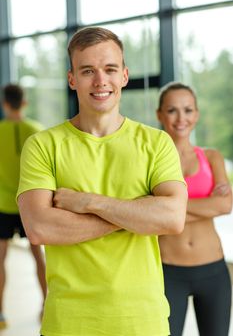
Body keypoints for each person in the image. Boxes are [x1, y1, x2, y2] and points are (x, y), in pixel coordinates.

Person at [17, 27, 187, 336]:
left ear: (124, 75)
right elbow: (40, 228)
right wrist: (137, 214)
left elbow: (173, 218)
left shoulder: (156, 143)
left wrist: (88, 203)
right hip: (69, 324)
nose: (100, 81)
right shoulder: (43, 145)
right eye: (87, 71)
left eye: (110, 69)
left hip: (143, 322)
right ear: (72, 79)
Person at [157, 82, 232, 336]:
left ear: (197, 114)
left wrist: (168, 210)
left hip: (214, 271)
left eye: (188, 110)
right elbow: (148, 215)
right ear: (160, 114)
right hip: (167, 271)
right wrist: (206, 206)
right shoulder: (150, 161)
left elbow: (225, 204)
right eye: (172, 110)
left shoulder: (211, 157)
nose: (181, 118)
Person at [0, 84, 47, 329]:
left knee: (0, 259)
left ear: (5, 104)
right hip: (30, 205)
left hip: (3, 205)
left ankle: (0, 315)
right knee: (38, 256)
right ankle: (46, 307)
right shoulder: (37, 132)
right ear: (24, 102)